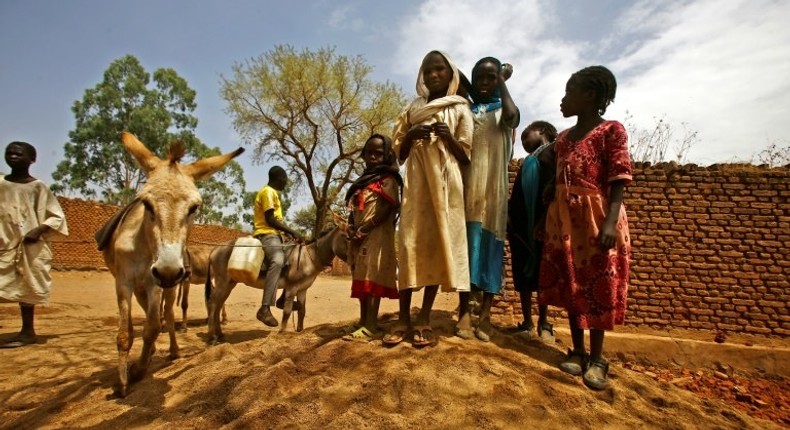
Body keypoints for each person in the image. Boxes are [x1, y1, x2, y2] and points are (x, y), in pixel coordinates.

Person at [538, 66, 632, 390]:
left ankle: (598, 358)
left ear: (590, 95)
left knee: (596, 284)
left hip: (595, 217)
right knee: (570, 284)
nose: (563, 100)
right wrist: (552, 189)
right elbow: (560, 171)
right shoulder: (562, 139)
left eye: (569, 93)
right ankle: (576, 351)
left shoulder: (612, 131)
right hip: (563, 219)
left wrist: (610, 222)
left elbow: (618, 181)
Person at [384, 50, 473, 347]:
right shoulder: (411, 110)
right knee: (410, 246)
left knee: (436, 246)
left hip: (447, 188)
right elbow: (399, 153)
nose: (433, 75)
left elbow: (466, 156)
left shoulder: (461, 108)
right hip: (417, 187)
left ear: (451, 75)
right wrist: (411, 136)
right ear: (421, 76)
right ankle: (403, 317)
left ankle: (423, 318)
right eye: (428, 71)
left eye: (440, 70)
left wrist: (447, 137)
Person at [456, 57, 519, 342]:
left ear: (499, 80)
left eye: (490, 78)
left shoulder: (504, 111)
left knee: (491, 252)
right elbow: (456, 77)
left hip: (493, 193)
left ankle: (486, 315)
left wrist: (503, 81)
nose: (484, 83)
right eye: (478, 77)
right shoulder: (467, 110)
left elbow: (513, 115)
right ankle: (464, 311)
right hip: (468, 191)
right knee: (467, 251)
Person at [0, 141, 68, 348]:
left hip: (30, 246)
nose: (13, 156)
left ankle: (27, 332)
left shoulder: (39, 188)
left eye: (18, 154)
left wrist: (38, 230)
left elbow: (57, 217)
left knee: (27, 288)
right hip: (4, 243)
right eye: (9, 153)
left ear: (32, 160)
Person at [342, 134, 402, 342]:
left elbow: (388, 207)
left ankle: (371, 325)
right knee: (361, 276)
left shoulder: (388, 179)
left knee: (371, 275)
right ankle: (363, 321)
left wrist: (366, 228)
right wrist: (351, 227)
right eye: (369, 153)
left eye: (379, 153)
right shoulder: (363, 181)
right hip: (360, 236)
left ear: (387, 156)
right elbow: (354, 208)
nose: (373, 157)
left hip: (377, 235)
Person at [508, 121, 558, 343]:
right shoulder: (529, 161)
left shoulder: (552, 153)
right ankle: (527, 322)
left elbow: (553, 191)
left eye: (527, 135)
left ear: (544, 132)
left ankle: (544, 322)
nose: (524, 141)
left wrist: (542, 221)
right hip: (520, 228)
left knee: (542, 273)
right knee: (523, 274)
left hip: (542, 225)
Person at [253, 166, 305, 327]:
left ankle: (283, 299)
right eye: (285, 180)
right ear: (280, 178)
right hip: (266, 234)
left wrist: (288, 235)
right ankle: (265, 308)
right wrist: (293, 231)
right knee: (277, 259)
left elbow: (277, 221)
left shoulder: (273, 193)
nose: (286, 183)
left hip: (276, 235)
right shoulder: (268, 191)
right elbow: (270, 220)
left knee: (294, 258)